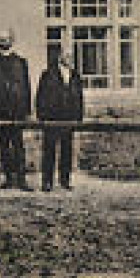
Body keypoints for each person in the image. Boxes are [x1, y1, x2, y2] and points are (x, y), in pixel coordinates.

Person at [0, 29, 32, 190]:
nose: (2, 42)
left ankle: (21, 179)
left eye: (5, 39)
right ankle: (9, 178)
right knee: (3, 146)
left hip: (17, 112)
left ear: (12, 41)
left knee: (18, 146)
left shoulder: (21, 62)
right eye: (0, 39)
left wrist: (27, 110)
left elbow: (26, 87)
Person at [34, 44, 85, 191]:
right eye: (66, 56)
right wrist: (42, 117)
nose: (69, 59)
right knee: (49, 150)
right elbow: (40, 97)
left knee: (67, 150)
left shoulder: (75, 76)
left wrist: (78, 117)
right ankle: (47, 182)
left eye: (71, 56)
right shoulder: (48, 74)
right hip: (52, 119)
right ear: (59, 57)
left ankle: (64, 180)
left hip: (68, 118)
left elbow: (79, 98)